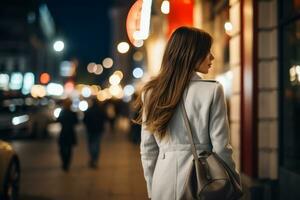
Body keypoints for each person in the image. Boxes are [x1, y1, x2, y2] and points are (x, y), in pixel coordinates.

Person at [134, 26, 241, 199]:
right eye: (206, 51)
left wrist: (152, 188)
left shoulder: (151, 92)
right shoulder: (212, 90)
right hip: (200, 182)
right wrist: (233, 182)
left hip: (163, 182)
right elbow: (222, 147)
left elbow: (147, 150)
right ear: (191, 54)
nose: (212, 57)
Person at [83, 98, 107, 168]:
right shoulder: (101, 110)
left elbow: (84, 120)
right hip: (98, 130)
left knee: (91, 144)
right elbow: (105, 118)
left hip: (90, 130)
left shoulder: (89, 110)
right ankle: (95, 159)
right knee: (96, 144)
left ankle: (92, 159)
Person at [57, 98, 78, 172]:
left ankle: (64, 163)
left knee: (63, 149)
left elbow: (58, 120)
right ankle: (66, 163)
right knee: (69, 149)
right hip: (70, 133)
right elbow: (76, 122)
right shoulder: (72, 112)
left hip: (64, 132)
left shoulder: (62, 112)